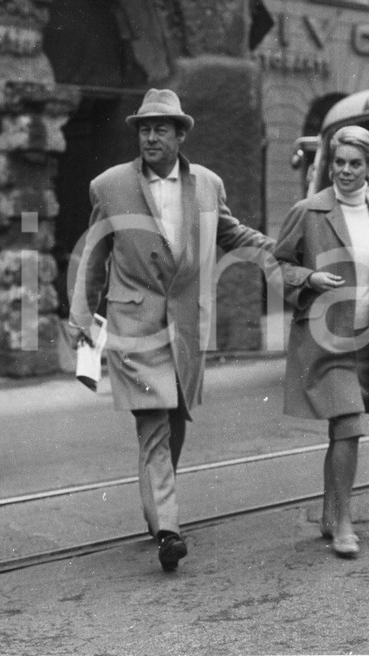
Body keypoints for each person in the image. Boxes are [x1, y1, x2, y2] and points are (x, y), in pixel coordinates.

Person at [69, 88, 274, 573]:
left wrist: (281, 250)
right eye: (144, 129)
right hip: (133, 323)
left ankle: (158, 507)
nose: (151, 137)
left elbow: (232, 233)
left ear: (180, 135)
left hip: (185, 324)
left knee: (176, 416)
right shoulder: (109, 186)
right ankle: (169, 530)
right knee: (153, 424)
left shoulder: (208, 185)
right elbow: (94, 254)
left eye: (161, 129)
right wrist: (81, 315)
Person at [274, 125, 369, 558]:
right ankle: (343, 522)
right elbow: (277, 266)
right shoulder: (308, 212)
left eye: (355, 164)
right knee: (350, 426)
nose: (345, 171)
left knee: (343, 429)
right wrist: (309, 278)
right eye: (339, 162)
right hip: (326, 339)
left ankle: (328, 511)